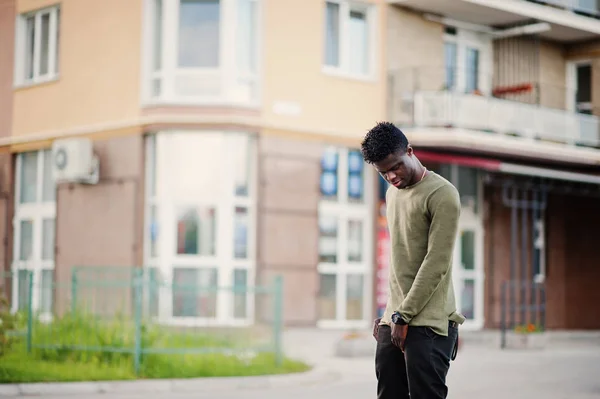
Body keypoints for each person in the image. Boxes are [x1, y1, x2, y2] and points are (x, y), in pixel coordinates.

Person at [360, 122, 465, 399]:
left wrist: (402, 315)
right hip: (395, 316)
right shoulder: (392, 193)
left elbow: (436, 262)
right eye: (383, 173)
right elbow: (401, 259)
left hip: (428, 322)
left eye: (396, 166)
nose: (392, 177)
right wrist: (388, 314)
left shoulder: (442, 194)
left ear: (409, 151)